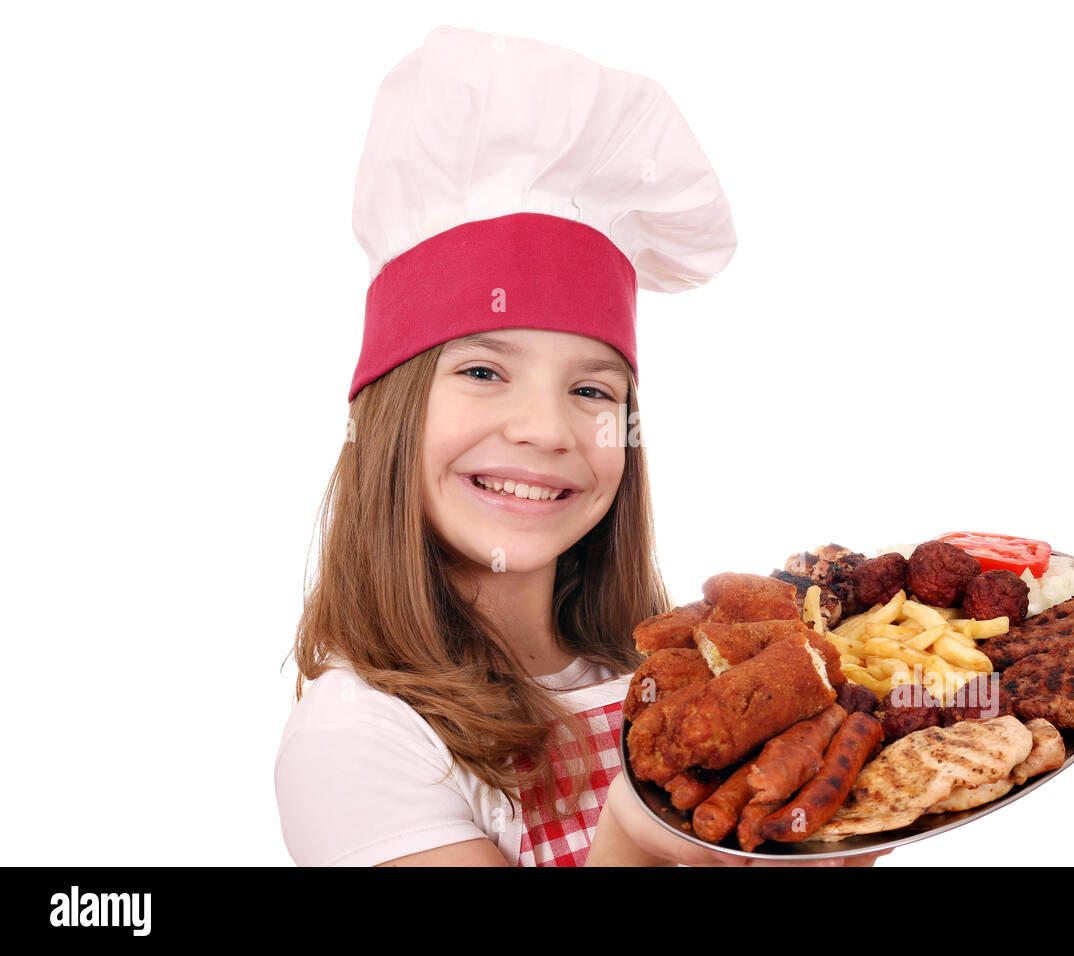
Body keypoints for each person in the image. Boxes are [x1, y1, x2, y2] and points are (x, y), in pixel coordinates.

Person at [274, 25, 884, 868]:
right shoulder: (360, 737)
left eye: (593, 390)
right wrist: (639, 835)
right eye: (484, 371)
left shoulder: (645, 674)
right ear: (391, 412)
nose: (548, 429)